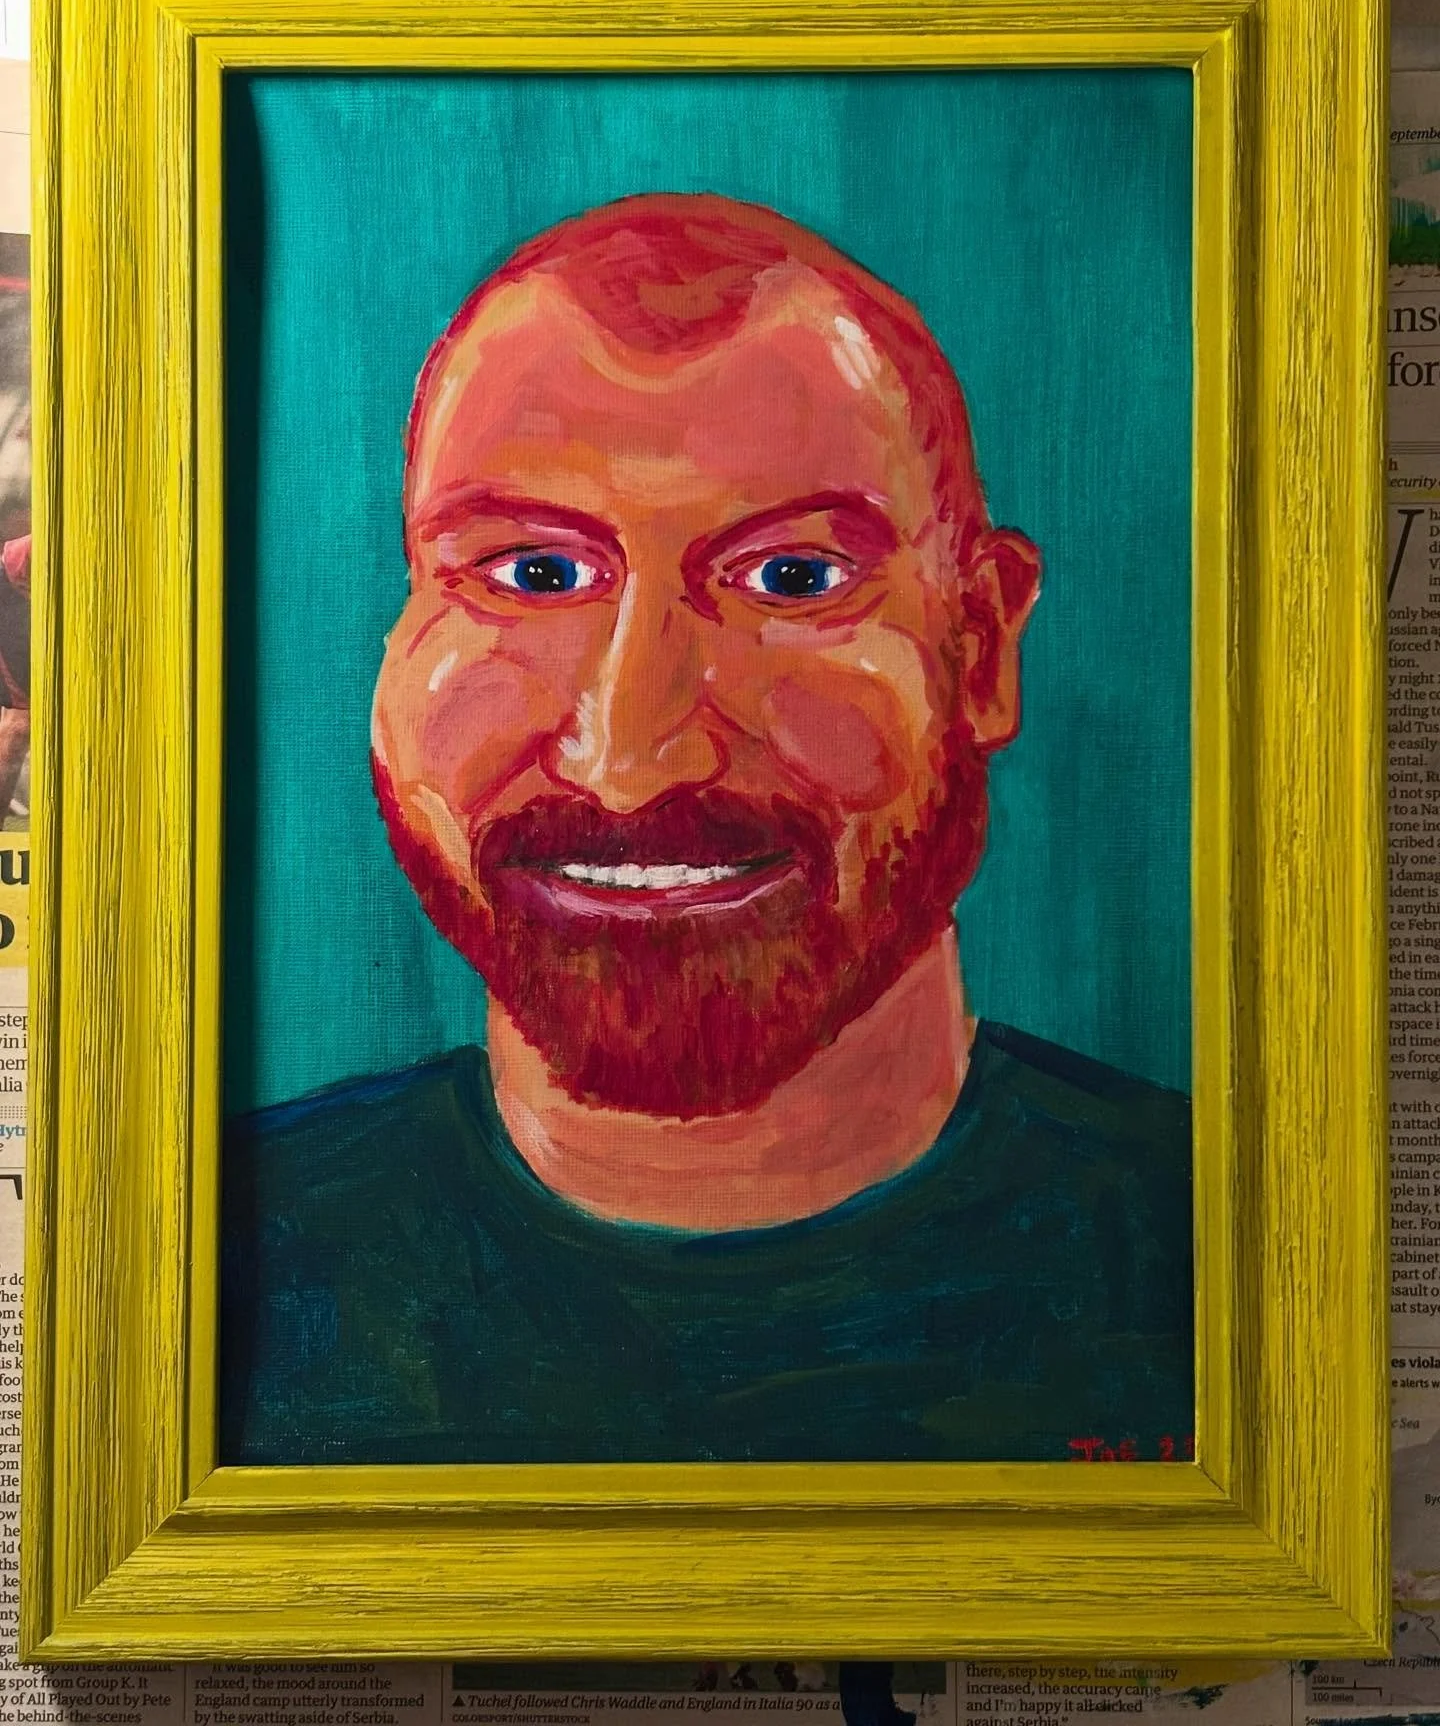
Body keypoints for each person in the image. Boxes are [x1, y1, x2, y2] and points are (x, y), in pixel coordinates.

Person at [221, 194, 1192, 1465]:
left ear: (983, 648)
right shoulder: (211, 1261)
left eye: (794, 578)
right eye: (533, 574)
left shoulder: (1221, 1265)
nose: (630, 757)